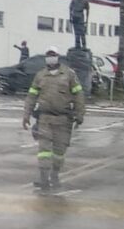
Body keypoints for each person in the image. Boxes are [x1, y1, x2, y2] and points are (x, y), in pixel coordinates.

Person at [22, 46, 86, 191]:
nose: (51, 57)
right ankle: (43, 178)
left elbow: (78, 95)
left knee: (59, 152)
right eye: (48, 55)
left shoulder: (69, 74)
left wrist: (80, 113)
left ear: (58, 56)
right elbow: (31, 96)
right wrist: (26, 114)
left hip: (63, 121)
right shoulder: (40, 76)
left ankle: (55, 174)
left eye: (53, 55)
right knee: (44, 149)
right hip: (44, 119)